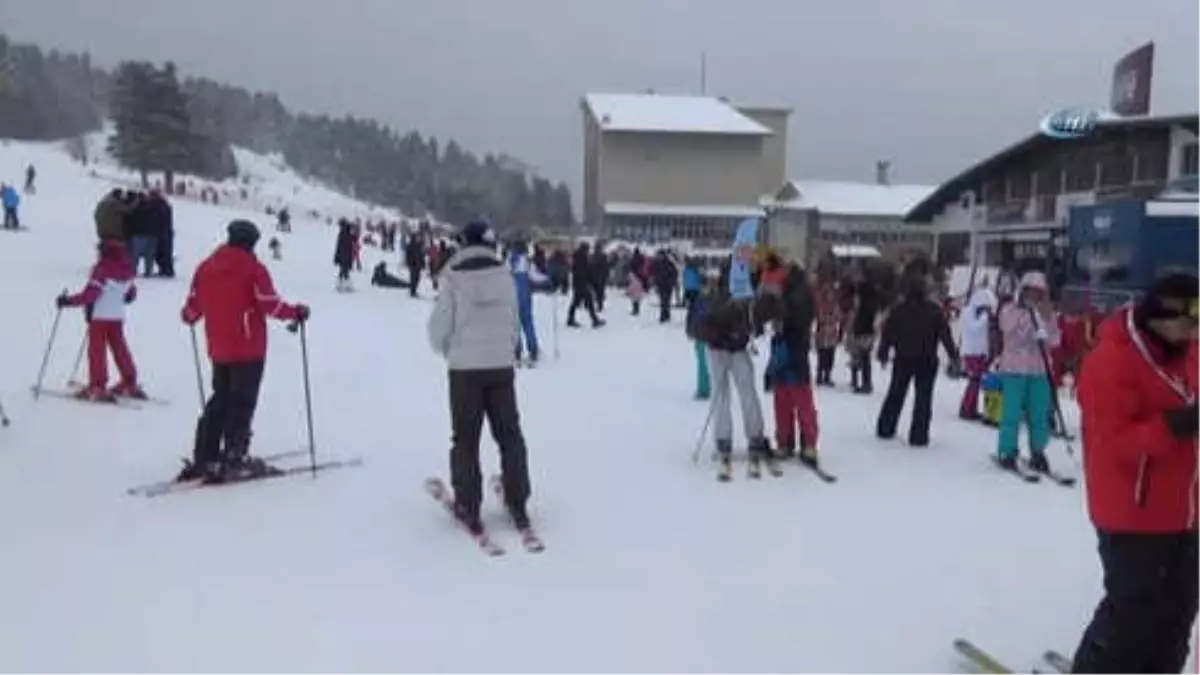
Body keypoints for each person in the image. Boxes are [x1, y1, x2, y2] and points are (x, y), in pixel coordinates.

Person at [1070, 271, 1200, 674]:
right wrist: (1177, 424)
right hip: (1133, 513)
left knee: (1177, 615)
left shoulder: (1190, 351)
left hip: (1189, 513)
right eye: (1190, 322)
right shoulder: (1111, 360)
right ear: (1161, 317)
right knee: (1132, 616)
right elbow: (1117, 444)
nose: (1196, 333)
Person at [179, 220, 309, 483]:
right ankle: (235, 455)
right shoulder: (253, 269)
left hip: (219, 346)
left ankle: (206, 454)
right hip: (248, 347)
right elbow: (268, 303)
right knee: (242, 402)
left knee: (220, 399)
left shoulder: (206, 267)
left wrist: (189, 315)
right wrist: (295, 312)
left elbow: (194, 305)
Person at [427, 220, 534, 535]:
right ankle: (518, 498)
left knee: (465, 438)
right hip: (501, 367)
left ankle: (468, 503)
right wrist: (506, 348)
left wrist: (449, 349)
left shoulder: (453, 277)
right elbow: (515, 322)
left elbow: (438, 330)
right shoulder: (505, 276)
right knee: (509, 434)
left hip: (464, 370)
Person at [693, 289, 785, 479]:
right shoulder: (732, 309)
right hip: (717, 349)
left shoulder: (756, 314)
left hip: (737, 349)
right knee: (721, 394)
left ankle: (755, 435)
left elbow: (751, 332)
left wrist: (740, 339)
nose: (767, 323)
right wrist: (724, 339)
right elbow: (707, 329)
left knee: (748, 390)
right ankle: (723, 438)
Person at [55, 239, 145, 401]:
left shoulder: (102, 270)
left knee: (97, 350)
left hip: (100, 316)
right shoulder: (127, 270)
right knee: (119, 347)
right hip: (117, 316)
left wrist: (68, 301)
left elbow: (90, 295)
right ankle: (129, 380)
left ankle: (97, 385)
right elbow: (131, 295)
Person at [875, 276, 959, 447]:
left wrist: (883, 353)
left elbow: (888, 334)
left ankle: (886, 428)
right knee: (923, 399)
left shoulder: (899, 310)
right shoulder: (935, 311)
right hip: (927, 360)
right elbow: (945, 335)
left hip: (903, 358)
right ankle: (918, 435)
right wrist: (954, 356)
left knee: (895, 394)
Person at [994, 271, 1060, 473]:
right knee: (1011, 413)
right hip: (1014, 369)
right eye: (1030, 292)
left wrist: (1047, 321)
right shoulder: (1009, 310)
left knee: (1039, 414)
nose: (1034, 297)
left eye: (1038, 293)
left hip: (1038, 370)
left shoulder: (1045, 313)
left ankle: (1038, 450)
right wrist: (1031, 325)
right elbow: (1009, 330)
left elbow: (1055, 340)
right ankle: (1007, 450)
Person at [764, 264, 819, 462]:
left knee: (797, 401)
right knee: (786, 400)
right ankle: (788, 442)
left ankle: (805, 443)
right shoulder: (790, 292)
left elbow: (799, 319)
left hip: (793, 351)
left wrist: (781, 318)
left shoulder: (798, 294)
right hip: (786, 351)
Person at [958, 281, 997, 420]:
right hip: (971, 351)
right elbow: (974, 329)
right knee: (974, 380)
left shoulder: (977, 313)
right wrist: (985, 317)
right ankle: (967, 409)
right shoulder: (968, 313)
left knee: (976, 381)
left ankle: (969, 408)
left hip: (980, 352)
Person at [509, 240, 540, 364]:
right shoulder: (528, 262)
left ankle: (517, 350)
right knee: (528, 322)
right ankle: (532, 349)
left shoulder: (510, 261)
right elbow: (535, 277)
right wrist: (549, 281)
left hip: (512, 296)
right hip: (526, 295)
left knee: (515, 324)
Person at [567, 242, 603, 328]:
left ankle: (570, 319)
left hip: (578, 283)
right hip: (582, 283)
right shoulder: (582, 258)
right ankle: (594, 320)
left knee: (576, 302)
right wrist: (590, 279)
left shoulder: (577, 257)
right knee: (588, 302)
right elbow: (585, 270)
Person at [146, 190, 175, 278]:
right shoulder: (163, 205)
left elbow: (158, 218)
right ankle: (164, 269)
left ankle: (167, 270)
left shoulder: (161, 206)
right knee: (161, 252)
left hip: (163, 232)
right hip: (163, 232)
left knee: (164, 252)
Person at [333, 219, 355, 291]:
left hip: (343, 255)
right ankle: (345, 286)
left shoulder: (343, 233)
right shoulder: (347, 233)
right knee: (345, 271)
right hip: (346, 255)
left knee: (343, 271)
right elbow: (353, 240)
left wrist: (336, 256)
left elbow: (338, 246)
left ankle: (341, 285)